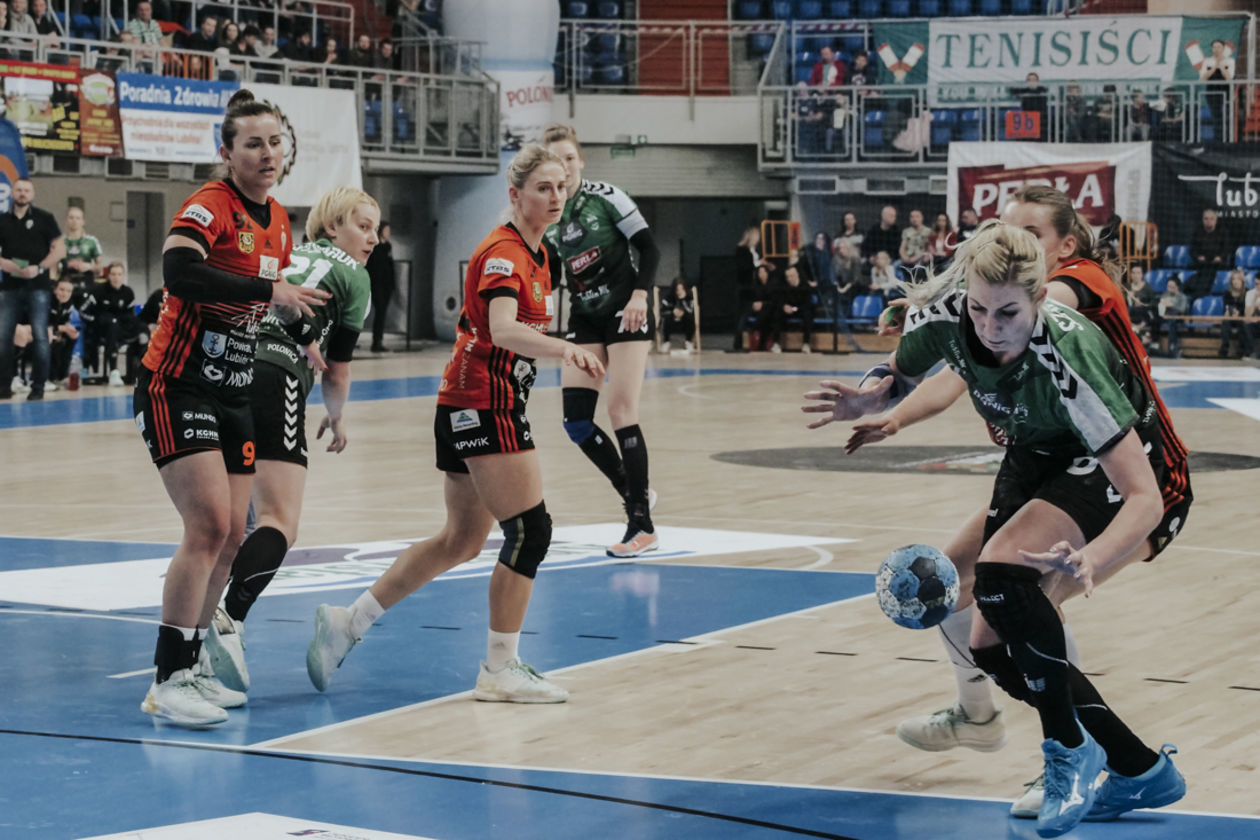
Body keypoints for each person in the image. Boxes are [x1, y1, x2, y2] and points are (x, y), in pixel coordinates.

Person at [803, 184, 1192, 821]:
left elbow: (1143, 494)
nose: (990, 326)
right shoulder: (965, 313)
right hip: (1038, 455)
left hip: (1126, 465)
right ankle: (1134, 765)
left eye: (1007, 310)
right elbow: (916, 367)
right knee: (988, 634)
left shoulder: (1067, 319)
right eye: (979, 309)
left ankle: (1068, 751)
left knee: (1010, 583)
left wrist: (1093, 557)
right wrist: (880, 399)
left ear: (1046, 270)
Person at [304, 145, 605, 701]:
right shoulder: (503, 252)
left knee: (462, 539)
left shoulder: (541, 254)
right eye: (543, 187)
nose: (556, 196)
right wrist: (566, 349)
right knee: (530, 532)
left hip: (473, 400)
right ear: (515, 194)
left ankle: (348, 622)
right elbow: (503, 329)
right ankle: (500, 669)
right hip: (483, 400)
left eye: (562, 187)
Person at [133, 89, 329, 728]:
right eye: (253, 144)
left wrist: (304, 332)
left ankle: (191, 669)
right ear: (228, 152)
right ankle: (166, 680)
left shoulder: (278, 220)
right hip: (177, 384)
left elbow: (268, 300)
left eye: (275, 142)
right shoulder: (210, 204)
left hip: (235, 390)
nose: (267, 153)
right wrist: (267, 288)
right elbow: (179, 272)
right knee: (208, 526)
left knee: (232, 538)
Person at [204, 187, 379, 694]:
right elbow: (337, 367)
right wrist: (336, 415)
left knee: (232, 524)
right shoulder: (355, 276)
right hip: (273, 372)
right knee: (279, 521)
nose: (372, 238)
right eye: (362, 226)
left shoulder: (284, 255)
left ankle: (188, 646)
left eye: (375, 229)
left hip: (220, 368)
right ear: (332, 227)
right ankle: (227, 618)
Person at [543, 124, 662, 558]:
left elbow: (650, 249)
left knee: (621, 411)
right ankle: (635, 491)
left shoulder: (607, 197)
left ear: (580, 160)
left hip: (626, 311)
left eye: (569, 159)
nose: (564, 169)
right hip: (585, 317)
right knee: (576, 422)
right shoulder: (549, 216)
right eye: (555, 162)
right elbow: (550, 275)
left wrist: (640, 296)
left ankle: (641, 526)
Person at [0, 178, 65, 401]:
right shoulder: (2, 220)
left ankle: (38, 387)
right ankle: (3, 386)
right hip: (9, 287)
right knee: (3, 336)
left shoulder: (44, 218)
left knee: (40, 336)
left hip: (38, 287)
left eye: (26, 190)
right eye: (19, 189)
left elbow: (60, 250)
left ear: (32, 194)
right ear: (12, 193)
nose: (22, 193)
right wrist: (5, 264)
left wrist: (40, 268)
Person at [80, 261, 141, 385]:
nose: (116, 278)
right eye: (113, 274)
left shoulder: (128, 292)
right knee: (112, 325)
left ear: (123, 276)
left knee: (142, 328)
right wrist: (94, 321)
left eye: (119, 274)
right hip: (101, 328)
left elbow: (130, 316)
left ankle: (140, 372)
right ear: (108, 276)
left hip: (121, 328)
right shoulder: (98, 290)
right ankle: (114, 371)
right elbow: (83, 311)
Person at [59, 205, 102, 304]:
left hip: (86, 285)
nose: (74, 221)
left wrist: (89, 266)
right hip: (65, 288)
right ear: (66, 220)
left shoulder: (92, 241)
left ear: (83, 221)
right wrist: (66, 265)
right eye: (71, 217)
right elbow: (53, 269)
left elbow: (100, 269)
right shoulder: (59, 242)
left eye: (78, 218)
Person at [366, 220, 395, 353]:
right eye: (386, 230)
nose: (388, 233)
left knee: (382, 313)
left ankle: (379, 340)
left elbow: (390, 265)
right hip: (376, 283)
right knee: (380, 310)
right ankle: (376, 341)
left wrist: (392, 284)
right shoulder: (374, 247)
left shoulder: (388, 246)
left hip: (386, 284)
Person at [47, 277, 79, 384]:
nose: (65, 294)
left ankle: (63, 375)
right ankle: (50, 377)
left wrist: (67, 330)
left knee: (72, 337)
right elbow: (44, 324)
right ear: (55, 290)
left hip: (56, 330)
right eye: (62, 290)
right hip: (40, 331)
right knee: (53, 339)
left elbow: (65, 322)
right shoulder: (47, 301)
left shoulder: (69, 304)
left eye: (69, 291)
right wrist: (60, 329)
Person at [1219, 268, 1252, 359]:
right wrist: (1227, 312)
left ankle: (1242, 350)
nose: (1235, 281)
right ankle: (1224, 348)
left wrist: (1239, 313)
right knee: (1225, 322)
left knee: (1243, 323)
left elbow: (1247, 309)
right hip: (1231, 318)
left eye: (1238, 279)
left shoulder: (1248, 292)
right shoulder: (1227, 293)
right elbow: (1226, 307)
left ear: (1242, 281)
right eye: (1233, 279)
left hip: (1243, 318)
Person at [659, 278, 695, 352]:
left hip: (685, 319)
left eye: (682, 289)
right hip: (671, 319)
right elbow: (663, 310)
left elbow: (691, 310)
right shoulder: (669, 296)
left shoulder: (689, 296)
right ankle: (666, 341)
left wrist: (683, 301)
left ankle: (688, 341)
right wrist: (673, 311)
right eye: (677, 290)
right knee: (667, 318)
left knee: (690, 318)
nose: (679, 292)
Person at [1156, 276, 1188, 357]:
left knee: (1172, 322)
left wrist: (1171, 306)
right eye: (1168, 286)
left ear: (1177, 287)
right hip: (1165, 316)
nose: (1169, 289)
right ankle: (1154, 344)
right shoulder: (1165, 294)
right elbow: (1161, 306)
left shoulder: (1182, 297)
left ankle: (1172, 347)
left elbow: (1182, 309)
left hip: (1177, 317)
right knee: (1155, 320)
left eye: (1172, 287)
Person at [898, 209, 932, 273]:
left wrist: (918, 258)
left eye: (917, 216)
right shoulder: (906, 231)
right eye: (912, 217)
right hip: (908, 258)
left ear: (922, 218)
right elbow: (902, 248)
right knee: (895, 266)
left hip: (921, 258)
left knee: (918, 270)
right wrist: (904, 257)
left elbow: (929, 249)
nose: (914, 219)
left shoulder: (928, 231)